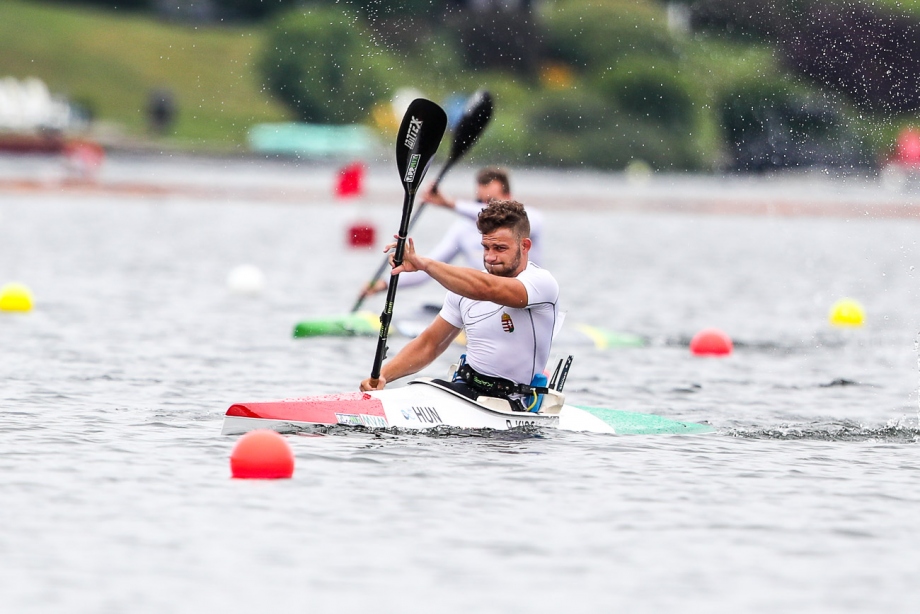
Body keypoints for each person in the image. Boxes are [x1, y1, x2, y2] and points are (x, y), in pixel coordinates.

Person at [360, 200, 560, 411]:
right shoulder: (463, 290)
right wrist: (382, 376)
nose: (490, 257)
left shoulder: (541, 284)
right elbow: (430, 344)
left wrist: (424, 264)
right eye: (486, 247)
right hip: (464, 390)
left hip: (514, 403)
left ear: (525, 246)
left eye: (500, 248)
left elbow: (489, 290)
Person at [360, 167, 543, 296]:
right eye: (483, 202)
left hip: (522, 295)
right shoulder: (463, 229)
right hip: (481, 295)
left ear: (509, 197)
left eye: (495, 202)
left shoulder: (528, 220)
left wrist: (448, 203)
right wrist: (384, 283)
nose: (491, 210)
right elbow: (428, 269)